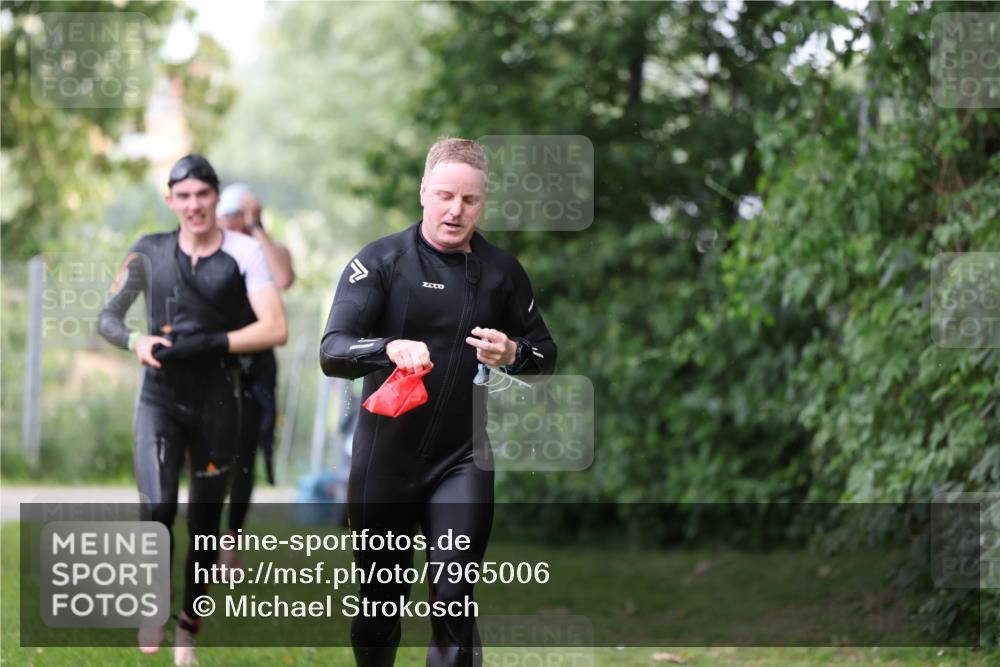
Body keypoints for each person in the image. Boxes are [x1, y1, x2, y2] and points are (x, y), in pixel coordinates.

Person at [320, 137, 557, 667]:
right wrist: (387, 347)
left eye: (470, 200)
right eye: (446, 195)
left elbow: (546, 356)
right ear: (424, 191)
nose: (456, 210)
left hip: (464, 458)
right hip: (385, 460)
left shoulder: (501, 272)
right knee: (380, 606)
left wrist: (513, 352)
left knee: (454, 602)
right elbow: (332, 351)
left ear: (483, 201)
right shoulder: (380, 262)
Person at [97, 155, 288, 666]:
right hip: (159, 394)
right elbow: (108, 317)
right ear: (170, 201)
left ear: (215, 197)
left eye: (203, 195)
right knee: (157, 508)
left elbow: (275, 327)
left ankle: (187, 631)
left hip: (218, 401)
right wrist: (136, 339)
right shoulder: (148, 251)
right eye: (183, 196)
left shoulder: (245, 252)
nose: (194, 205)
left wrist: (215, 341)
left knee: (205, 524)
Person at [215, 183, 295, 568]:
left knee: (245, 452)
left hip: (257, 367)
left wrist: (258, 226)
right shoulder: (213, 250)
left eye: (239, 215)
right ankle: (208, 531)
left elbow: (283, 277)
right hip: (218, 362)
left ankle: (232, 537)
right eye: (228, 215)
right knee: (214, 450)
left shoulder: (264, 251)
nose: (235, 223)